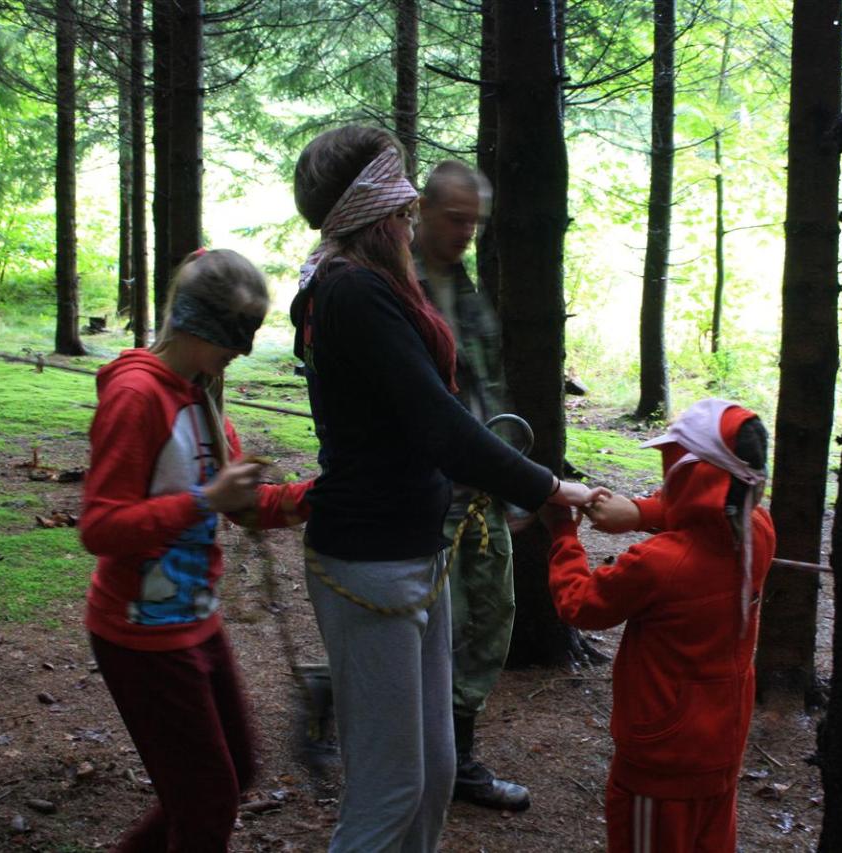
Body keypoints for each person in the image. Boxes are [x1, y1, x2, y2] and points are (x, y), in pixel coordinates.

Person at [289, 126, 603, 853]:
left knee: (433, 775)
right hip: (370, 561)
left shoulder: (372, 288)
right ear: (376, 215)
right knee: (390, 790)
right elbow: (439, 425)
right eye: (403, 210)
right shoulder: (352, 292)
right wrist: (548, 487)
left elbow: (436, 419)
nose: (412, 223)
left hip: (414, 551)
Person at [80, 248, 313, 852]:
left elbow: (244, 506)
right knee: (206, 802)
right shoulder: (137, 395)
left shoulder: (201, 396)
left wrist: (322, 495)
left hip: (195, 623)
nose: (242, 351)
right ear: (199, 322)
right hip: (140, 636)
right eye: (236, 335)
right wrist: (204, 499)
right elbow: (100, 527)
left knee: (232, 773)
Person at [541, 399, 777, 853]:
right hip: (720, 747)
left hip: (661, 758)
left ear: (692, 475)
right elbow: (712, 511)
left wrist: (562, 535)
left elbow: (580, 604)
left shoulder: (658, 563)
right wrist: (639, 512)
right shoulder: (759, 531)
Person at [412, 160, 530, 811]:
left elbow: (490, 392)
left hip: (483, 490)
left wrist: (510, 484)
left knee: (491, 619)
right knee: (439, 629)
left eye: (474, 223)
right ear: (422, 210)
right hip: (429, 495)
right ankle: (430, 761)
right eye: (455, 219)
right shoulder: (396, 289)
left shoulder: (468, 293)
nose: (465, 232)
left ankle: (457, 760)